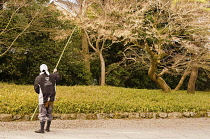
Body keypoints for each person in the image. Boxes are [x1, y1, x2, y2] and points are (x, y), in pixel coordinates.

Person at [34, 64, 60, 133]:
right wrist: (56, 72)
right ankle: (47, 128)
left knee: (42, 113)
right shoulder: (53, 76)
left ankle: (42, 129)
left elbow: (36, 88)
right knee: (49, 112)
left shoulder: (38, 78)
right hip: (51, 98)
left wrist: (40, 93)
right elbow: (58, 78)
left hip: (43, 99)